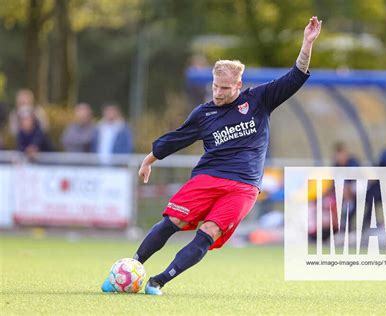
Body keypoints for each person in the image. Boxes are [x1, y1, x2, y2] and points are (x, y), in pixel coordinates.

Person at [101, 16, 322, 295]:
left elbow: (295, 77)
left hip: (243, 187)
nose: (218, 92)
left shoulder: (259, 100)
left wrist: (307, 43)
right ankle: (128, 269)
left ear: (239, 85)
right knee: (173, 221)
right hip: (208, 177)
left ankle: (158, 281)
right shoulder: (204, 113)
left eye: (225, 88)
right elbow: (176, 138)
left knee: (208, 233)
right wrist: (148, 160)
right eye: (215, 86)